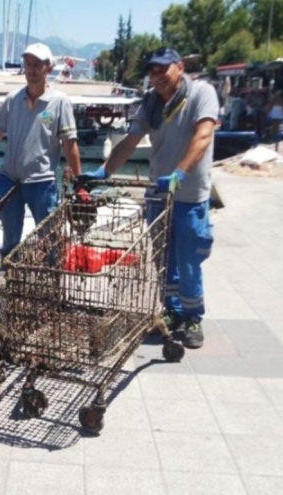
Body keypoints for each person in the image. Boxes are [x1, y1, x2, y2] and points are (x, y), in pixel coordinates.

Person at [78, 47, 218, 349]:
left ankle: (193, 317)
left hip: (190, 196)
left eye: (162, 70)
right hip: (157, 195)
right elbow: (130, 142)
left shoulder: (202, 93)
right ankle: (172, 311)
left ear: (179, 67)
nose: (156, 77)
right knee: (164, 259)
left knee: (189, 259)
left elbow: (203, 136)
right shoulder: (151, 103)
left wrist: (180, 174)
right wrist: (104, 172)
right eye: (152, 71)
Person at [0, 42, 81, 261]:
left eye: (37, 65)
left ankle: (52, 282)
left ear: (48, 68)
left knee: (50, 237)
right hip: (9, 180)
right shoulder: (13, 99)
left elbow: (70, 145)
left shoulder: (59, 102)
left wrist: (79, 184)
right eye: (28, 64)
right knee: (10, 239)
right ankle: (8, 281)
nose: (31, 70)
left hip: (41, 182)